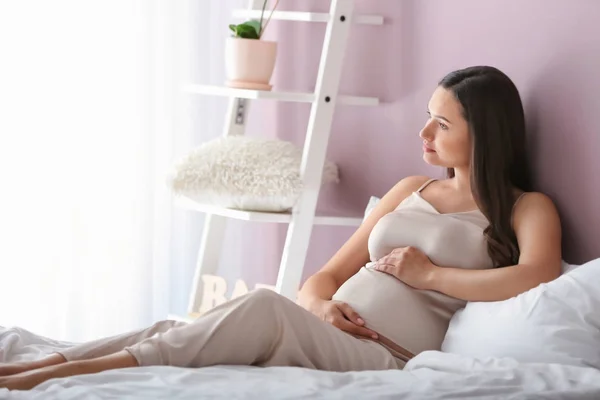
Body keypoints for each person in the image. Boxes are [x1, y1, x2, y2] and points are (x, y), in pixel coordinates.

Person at [0, 66, 562, 391]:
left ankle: (79, 371)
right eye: (427, 116)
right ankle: (55, 362)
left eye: (441, 123)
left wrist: (432, 274)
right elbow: (326, 276)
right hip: (328, 329)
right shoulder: (409, 187)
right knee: (189, 324)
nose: (424, 133)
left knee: (260, 308)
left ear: (486, 133)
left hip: (385, 354)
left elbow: (533, 275)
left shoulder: (524, 207)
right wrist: (319, 305)